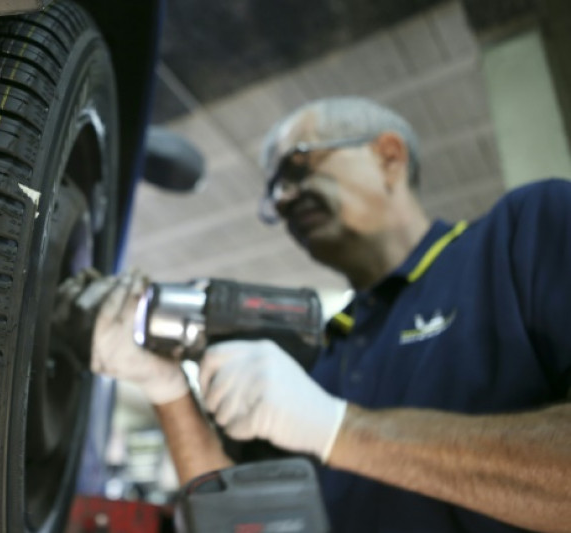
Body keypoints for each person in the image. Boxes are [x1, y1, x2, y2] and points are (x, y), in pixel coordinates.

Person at [91, 97, 571, 533]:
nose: (282, 199)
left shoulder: (525, 234)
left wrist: (339, 429)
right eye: (274, 191)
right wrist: (168, 388)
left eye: (298, 167)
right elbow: (236, 516)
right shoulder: (322, 348)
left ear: (389, 157)